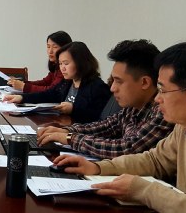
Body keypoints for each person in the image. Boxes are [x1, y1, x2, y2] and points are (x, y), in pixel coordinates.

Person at [53, 33, 186, 213]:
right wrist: (99, 168)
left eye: (163, 90)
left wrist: (145, 191)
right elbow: (155, 160)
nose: (157, 99)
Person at [37, 40, 174, 159]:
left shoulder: (163, 112)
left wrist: (70, 138)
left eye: (119, 81)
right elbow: (106, 126)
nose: (112, 88)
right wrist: (67, 130)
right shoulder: (132, 108)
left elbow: (127, 148)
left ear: (144, 82)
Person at [3, 41, 111, 123]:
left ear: (81, 63)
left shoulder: (98, 87)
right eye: (60, 64)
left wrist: (73, 109)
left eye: (66, 63)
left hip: (80, 135)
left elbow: (101, 118)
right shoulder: (67, 82)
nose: (62, 68)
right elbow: (48, 95)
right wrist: (22, 98)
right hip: (63, 127)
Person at [7, 31, 72, 92]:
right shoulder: (55, 66)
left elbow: (52, 90)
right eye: (48, 47)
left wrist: (24, 86)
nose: (50, 51)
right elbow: (45, 82)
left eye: (55, 47)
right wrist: (22, 83)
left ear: (65, 48)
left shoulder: (65, 69)